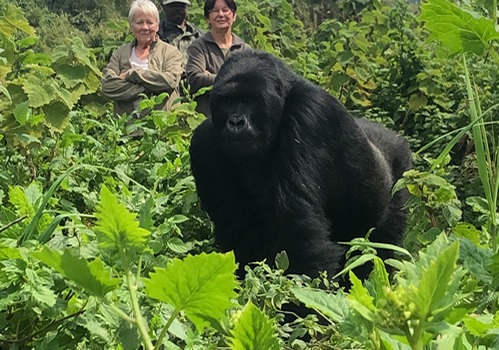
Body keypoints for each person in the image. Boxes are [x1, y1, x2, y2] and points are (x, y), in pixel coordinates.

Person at [101, 0, 183, 117]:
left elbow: (170, 81)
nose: (145, 27)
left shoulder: (170, 53)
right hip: (127, 129)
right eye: (139, 23)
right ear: (131, 26)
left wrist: (132, 74)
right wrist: (149, 88)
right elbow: (107, 86)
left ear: (157, 25)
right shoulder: (120, 53)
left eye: (150, 22)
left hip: (162, 128)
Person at [185, 0, 251, 117]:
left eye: (225, 10)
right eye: (215, 11)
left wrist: (210, 76)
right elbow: (195, 79)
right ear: (207, 18)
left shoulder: (245, 49)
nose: (221, 15)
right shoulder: (198, 47)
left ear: (234, 16)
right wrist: (235, 80)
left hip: (237, 120)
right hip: (207, 118)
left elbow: (251, 84)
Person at [158, 0, 203, 67]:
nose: (177, 9)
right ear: (164, 8)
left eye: (181, 6)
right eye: (173, 6)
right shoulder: (155, 34)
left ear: (187, 7)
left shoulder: (198, 35)